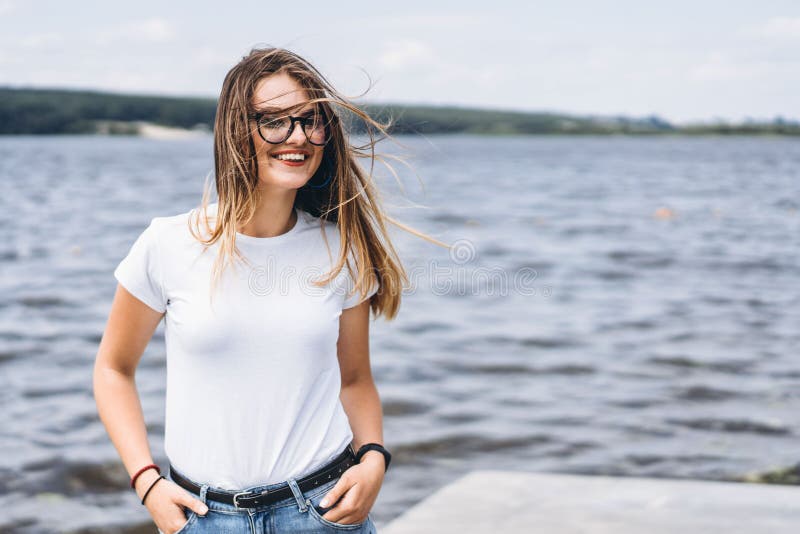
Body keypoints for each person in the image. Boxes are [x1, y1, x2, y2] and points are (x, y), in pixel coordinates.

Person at [92, 46, 434, 533]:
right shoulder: (167, 245)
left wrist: (374, 458)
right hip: (204, 518)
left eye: (311, 120)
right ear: (236, 130)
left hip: (323, 511)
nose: (298, 137)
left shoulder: (342, 250)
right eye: (274, 121)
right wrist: (146, 482)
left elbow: (355, 379)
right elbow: (112, 368)